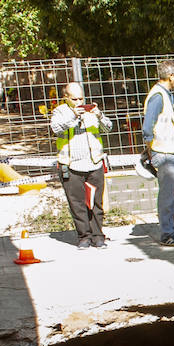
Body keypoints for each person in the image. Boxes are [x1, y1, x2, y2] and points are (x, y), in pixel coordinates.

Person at [50, 82, 113, 249]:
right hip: (71, 164)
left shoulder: (91, 111)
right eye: (74, 99)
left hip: (94, 162)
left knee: (96, 203)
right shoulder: (60, 112)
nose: (79, 102)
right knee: (77, 203)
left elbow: (108, 128)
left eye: (81, 98)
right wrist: (74, 117)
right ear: (66, 98)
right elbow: (56, 129)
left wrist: (99, 115)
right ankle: (84, 236)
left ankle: (98, 236)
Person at [141, 60, 174, 245]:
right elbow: (147, 128)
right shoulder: (158, 96)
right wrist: (151, 151)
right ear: (170, 76)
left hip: (168, 151)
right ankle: (167, 234)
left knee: (172, 194)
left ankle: (172, 231)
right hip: (162, 152)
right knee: (168, 195)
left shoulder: (164, 94)